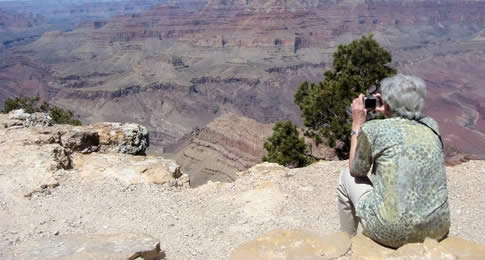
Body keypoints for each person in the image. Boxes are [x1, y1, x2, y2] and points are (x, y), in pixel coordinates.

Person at [337, 74, 450, 248]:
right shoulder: (431, 126)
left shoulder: (374, 130)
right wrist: (390, 109)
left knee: (346, 177)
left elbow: (356, 170)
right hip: (437, 230)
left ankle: (347, 240)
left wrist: (357, 124)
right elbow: (402, 128)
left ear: (387, 103)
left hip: (390, 232)